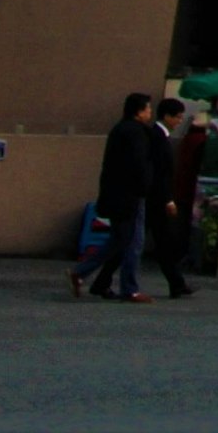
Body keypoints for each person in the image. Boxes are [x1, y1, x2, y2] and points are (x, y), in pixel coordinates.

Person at [71, 94, 170, 302]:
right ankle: (128, 287)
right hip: (130, 195)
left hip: (116, 193)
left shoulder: (120, 130)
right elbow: (139, 164)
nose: (150, 113)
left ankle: (85, 274)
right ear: (139, 111)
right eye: (148, 109)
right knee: (133, 241)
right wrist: (146, 187)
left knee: (120, 239)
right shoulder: (136, 133)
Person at [149, 99, 204, 297]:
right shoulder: (157, 137)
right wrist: (168, 199)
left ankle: (177, 283)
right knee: (162, 241)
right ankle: (177, 283)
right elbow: (160, 173)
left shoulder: (161, 137)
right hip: (157, 199)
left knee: (162, 243)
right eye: (178, 117)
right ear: (167, 116)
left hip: (156, 198)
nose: (180, 121)